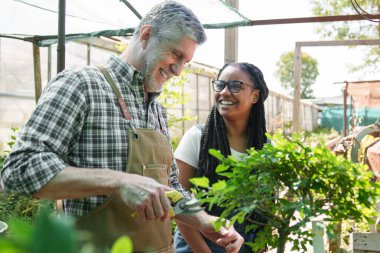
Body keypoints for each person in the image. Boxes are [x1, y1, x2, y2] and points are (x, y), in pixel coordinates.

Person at [0, 1, 244, 252]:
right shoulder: (82, 85)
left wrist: (204, 222)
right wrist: (118, 181)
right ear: (146, 35)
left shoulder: (156, 110)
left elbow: (169, 187)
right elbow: (18, 170)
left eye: (186, 62)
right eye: (176, 54)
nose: (179, 70)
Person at [173, 62, 269, 253]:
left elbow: (265, 211)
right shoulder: (197, 138)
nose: (224, 92)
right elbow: (177, 202)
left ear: (255, 96)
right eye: (220, 85)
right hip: (196, 247)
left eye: (235, 86)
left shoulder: (266, 149)